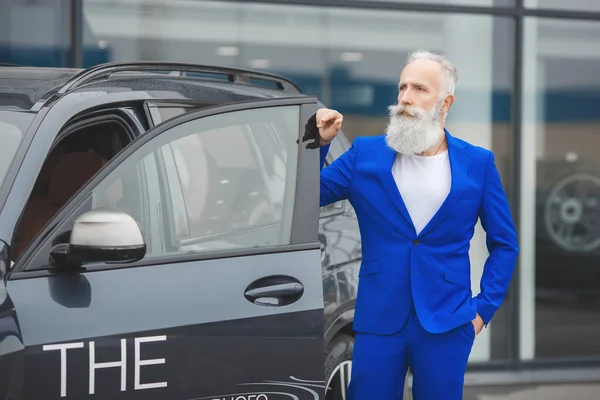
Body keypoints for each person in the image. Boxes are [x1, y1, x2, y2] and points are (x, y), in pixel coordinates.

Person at [315, 50, 519, 400]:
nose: (406, 98)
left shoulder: (478, 163)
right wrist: (318, 143)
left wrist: (482, 310)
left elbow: (505, 244)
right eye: (402, 87)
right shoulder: (366, 154)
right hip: (379, 319)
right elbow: (309, 194)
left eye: (419, 89)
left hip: (448, 321)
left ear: (445, 102)